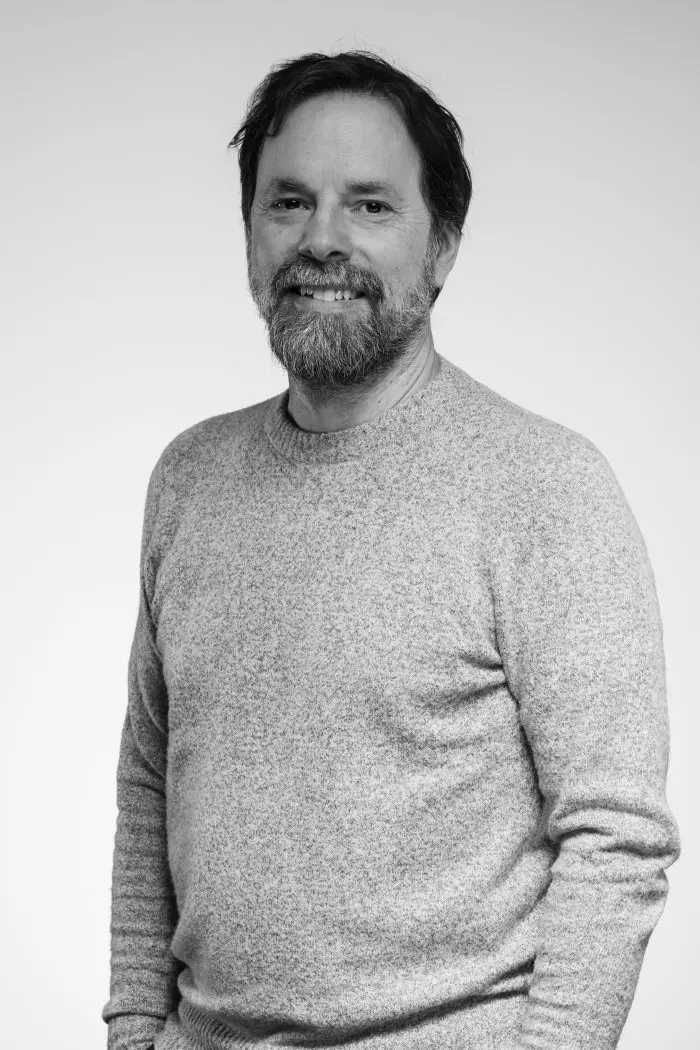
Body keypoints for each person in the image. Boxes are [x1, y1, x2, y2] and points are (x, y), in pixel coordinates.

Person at [101, 50, 681, 1050]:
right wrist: (132, 1031)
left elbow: (615, 840)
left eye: (369, 206)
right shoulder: (189, 478)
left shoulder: (543, 488)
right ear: (249, 233)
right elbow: (149, 785)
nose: (321, 239)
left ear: (443, 244)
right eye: (289, 202)